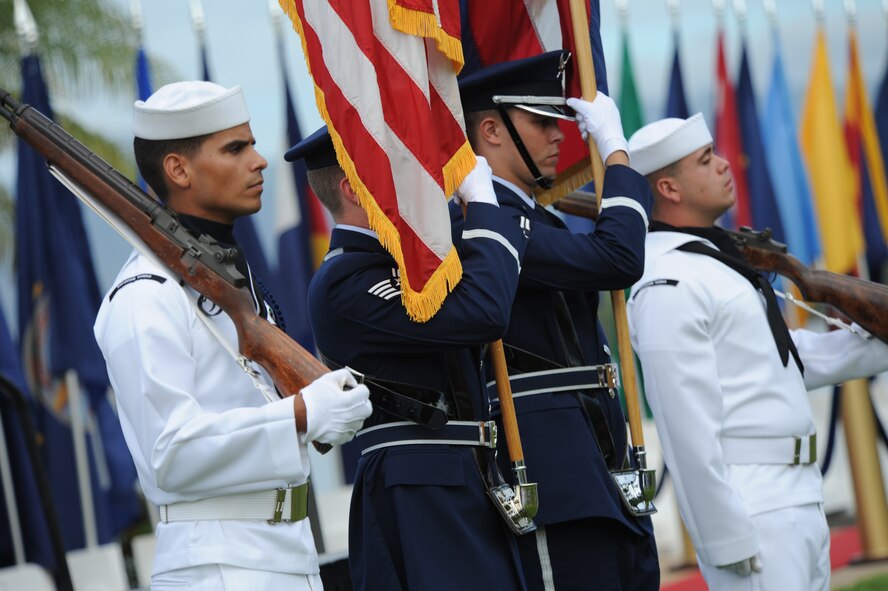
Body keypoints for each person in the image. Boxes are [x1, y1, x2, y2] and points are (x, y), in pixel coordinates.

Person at [93, 81, 372, 591]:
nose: (260, 160)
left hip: (286, 554)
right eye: (235, 148)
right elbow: (168, 455)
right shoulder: (144, 295)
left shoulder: (231, 278)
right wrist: (302, 414)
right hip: (217, 568)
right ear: (178, 169)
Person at [625, 113, 888, 590]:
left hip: (797, 497)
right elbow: (686, 427)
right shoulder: (669, 281)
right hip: (751, 510)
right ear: (669, 188)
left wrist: (879, 345)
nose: (725, 165)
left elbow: (783, 360)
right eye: (706, 160)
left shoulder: (714, 263)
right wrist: (724, 538)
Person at [286, 126, 529, 590]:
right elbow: (486, 311)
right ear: (354, 188)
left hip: (465, 477)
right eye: (396, 168)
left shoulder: (411, 267)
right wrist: (481, 202)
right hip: (419, 488)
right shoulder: (345, 281)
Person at [455, 50, 659, 590]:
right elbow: (618, 259)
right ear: (492, 130)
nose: (561, 136)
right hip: (548, 462)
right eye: (543, 122)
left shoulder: (532, 216)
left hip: (595, 447)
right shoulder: (484, 221)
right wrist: (615, 152)